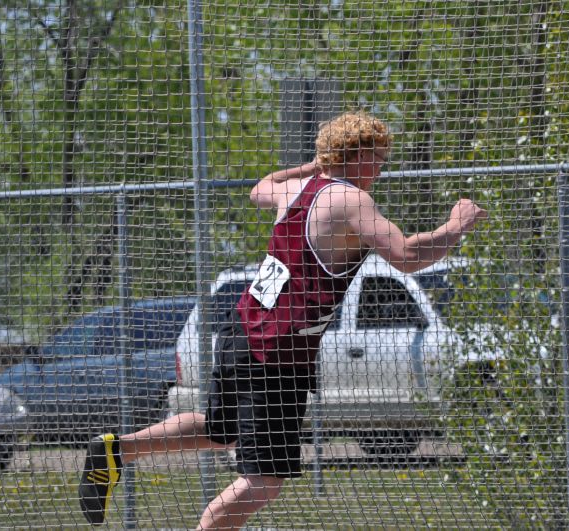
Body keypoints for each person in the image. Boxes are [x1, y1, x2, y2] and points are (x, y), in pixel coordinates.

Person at [78, 110, 488, 529]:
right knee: (264, 481)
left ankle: (115, 450)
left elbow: (261, 187)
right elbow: (407, 256)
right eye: (378, 157)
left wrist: (314, 165)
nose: (381, 170)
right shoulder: (350, 200)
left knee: (220, 430)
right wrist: (456, 227)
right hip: (278, 352)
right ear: (358, 153)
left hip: (241, 330)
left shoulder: (297, 189)